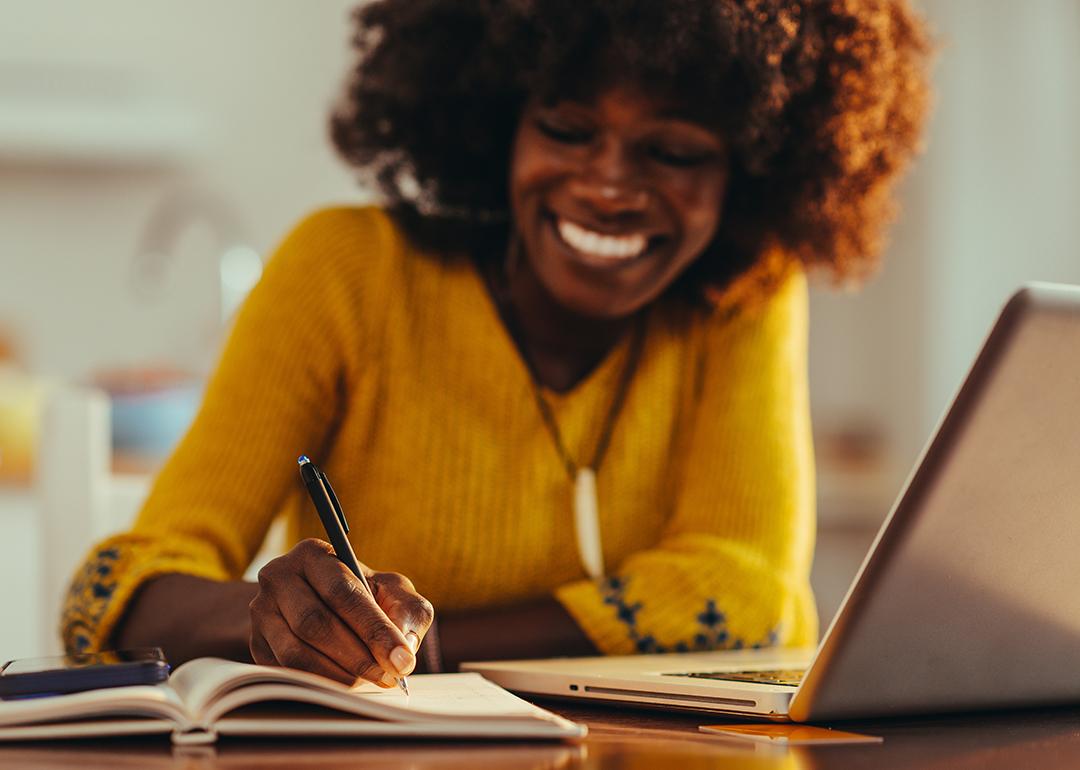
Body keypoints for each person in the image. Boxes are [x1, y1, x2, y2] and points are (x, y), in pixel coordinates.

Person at [62, 0, 931, 688]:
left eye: (670, 150)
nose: (608, 187)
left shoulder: (743, 297)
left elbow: (751, 599)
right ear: (497, 121)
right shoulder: (347, 272)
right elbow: (113, 593)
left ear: (753, 170)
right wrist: (267, 615)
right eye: (567, 128)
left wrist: (431, 648)